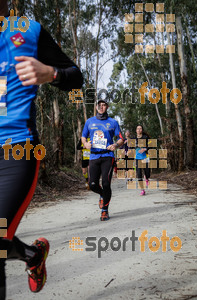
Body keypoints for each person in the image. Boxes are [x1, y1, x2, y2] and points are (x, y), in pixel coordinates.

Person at [0, 1, 83, 299]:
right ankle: (33, 256)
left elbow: (76, 76)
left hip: (16, 150)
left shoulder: (28, 32)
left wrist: (51, 73)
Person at [81, 99, 124, 221]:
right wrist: (85, 144)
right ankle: (101, 194)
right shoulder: (89, 122)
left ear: (107, 107)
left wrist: (115, 145)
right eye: (99, 105)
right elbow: (83, 136)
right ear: (96, 107)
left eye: (104, 105)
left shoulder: (113, 122)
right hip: (94, 156)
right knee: (92, 184)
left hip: (107, 156)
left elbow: (121, 139)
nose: (101, 107)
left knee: (106, 183)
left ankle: (104, 210)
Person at [135, 125, 150, 196]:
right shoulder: (134, 138)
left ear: (142, 130)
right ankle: (142, 190)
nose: (139, 130)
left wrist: (145, 149)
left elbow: (150, 145)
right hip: (138, 158)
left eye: (140, 128)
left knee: (147, 172)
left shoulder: (145, 137)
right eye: (138, 129)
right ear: (136, 130)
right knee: (139, 174)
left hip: (145, 157)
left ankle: (147, 178)